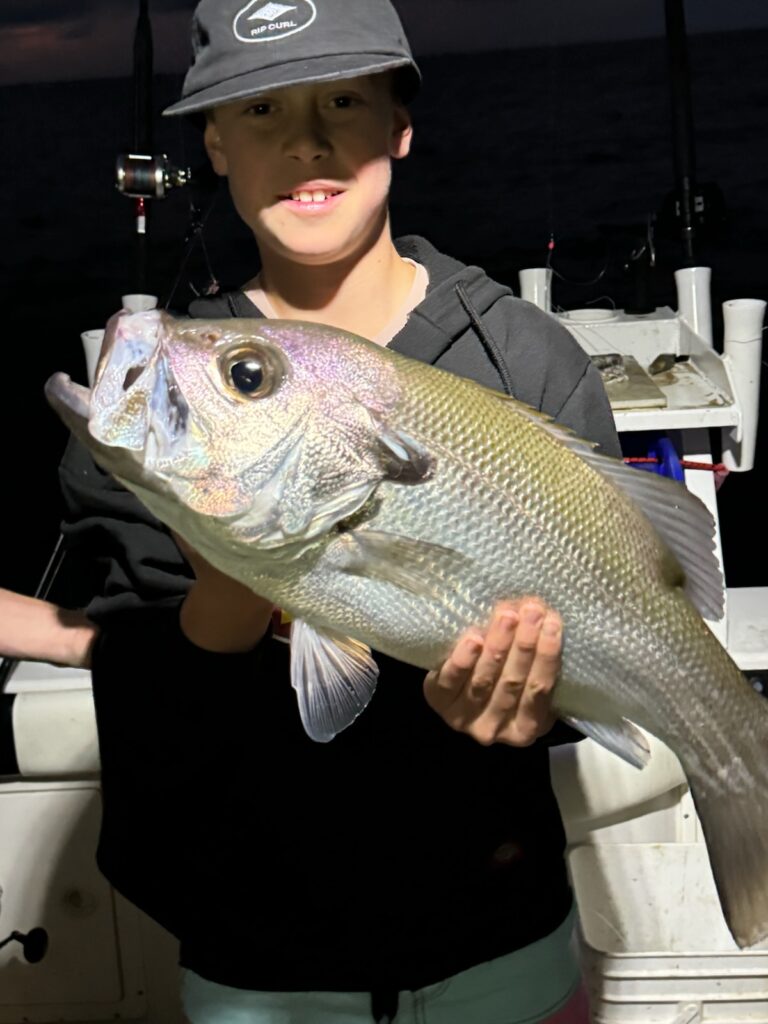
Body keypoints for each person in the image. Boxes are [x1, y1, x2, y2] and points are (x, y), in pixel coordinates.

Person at [1, 1, 622, 1020]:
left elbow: (590, 652)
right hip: (258, 968)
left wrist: (533, 704)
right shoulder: (172, 404)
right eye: (259, 108)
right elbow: (155, 724)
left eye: (343, 99)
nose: (305, 141)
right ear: (211, 141)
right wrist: (229, 596)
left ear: (400, 125)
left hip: (502, 948)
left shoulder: (526, 360)